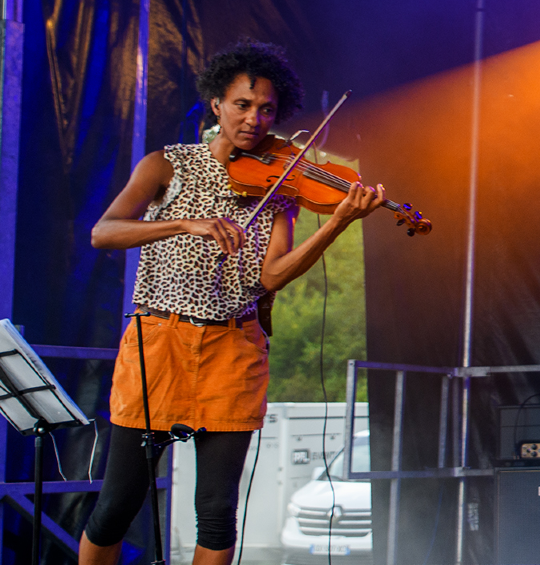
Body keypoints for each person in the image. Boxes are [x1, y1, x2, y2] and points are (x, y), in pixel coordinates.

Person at [82, 40, 386, 565]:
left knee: (218, 508)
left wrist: (337, 222)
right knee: (116, 505)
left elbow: (272, 276)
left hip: (231, 348)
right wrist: (183, 222)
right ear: (217, 104)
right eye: (243, 105)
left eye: (266, 109)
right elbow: (102, 233)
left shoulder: (283, 187)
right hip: (158, 344)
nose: (254, 119)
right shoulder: (167, 166)